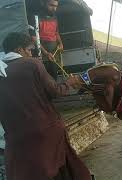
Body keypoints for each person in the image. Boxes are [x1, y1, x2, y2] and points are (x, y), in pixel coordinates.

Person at [0, 32, 91, 180]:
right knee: (63, 169)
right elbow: (56, 91)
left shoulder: (2, 71)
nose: (30, 53)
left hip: (17, 140)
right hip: (47, 133)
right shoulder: (32, 64)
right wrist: (70, 83)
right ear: (19, 50)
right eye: (29, 50)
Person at [29, 0, 64, 80]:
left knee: (54, 77)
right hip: (42, 56)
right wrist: (46, 53)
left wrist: (60, 43)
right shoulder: (35, 17)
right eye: (51, 5)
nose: (54, 8)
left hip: (54, 54)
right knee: (44, 80)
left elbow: (56, 32)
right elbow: (33, 37)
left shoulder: (54, 17)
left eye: (56, 6)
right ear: (43, 3)